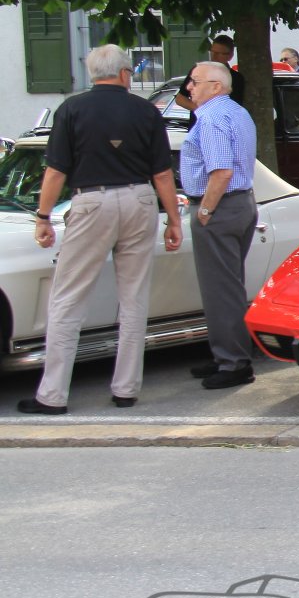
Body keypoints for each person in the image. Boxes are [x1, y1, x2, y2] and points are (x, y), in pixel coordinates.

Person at [19, 45, 183, 415]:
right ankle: (126, 389)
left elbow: (56, 171)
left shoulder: (71, 109)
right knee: (134, 297)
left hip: (92, 200)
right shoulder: (146, 111)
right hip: (139, 198)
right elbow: (161, 173)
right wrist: (173, 220)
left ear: (93, 73)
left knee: (68, 297)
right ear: (125, 74)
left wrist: (43, 216)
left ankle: (53, 394)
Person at [182, 60, 259, 390]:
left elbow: (222, 171)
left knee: (220, 289)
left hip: (221, 206)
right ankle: (226, 354)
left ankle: (234, 362)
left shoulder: (212, 118)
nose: (189, 87)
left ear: (216, 86)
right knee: (228, 286)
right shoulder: (237, 112)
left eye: (195, 81)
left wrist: (205, 210)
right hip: (240, 203)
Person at [175, 34, 247, 113]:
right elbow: (180, 99)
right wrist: (202, 110)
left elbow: (235, 107)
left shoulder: (236, 78)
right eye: (212, 52)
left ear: (230, 56)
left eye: (219, 53)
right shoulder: (198, 71)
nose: (214, 56)